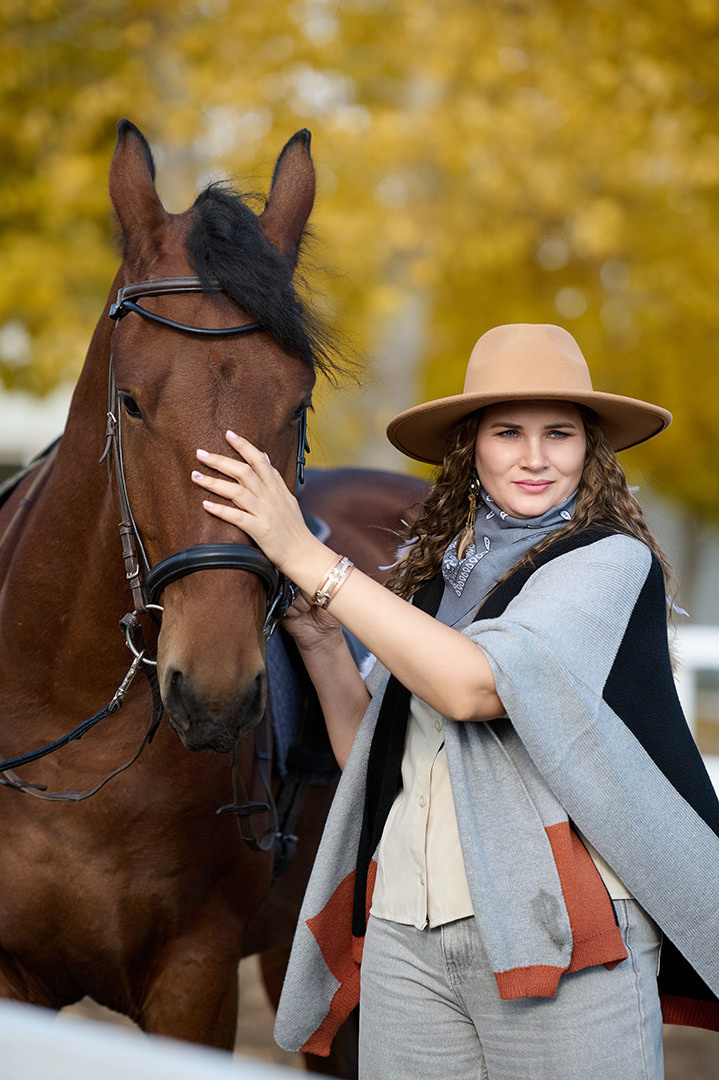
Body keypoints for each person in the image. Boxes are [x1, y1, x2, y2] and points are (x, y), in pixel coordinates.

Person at [191, 323, 719, 1080]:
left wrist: (309, 555)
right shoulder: (442, 576)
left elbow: (472, 687)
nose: (534, 457)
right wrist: (317, 634)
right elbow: (366, 752)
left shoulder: (608, 560)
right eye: (507, 432)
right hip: (407, 931)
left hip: (557, 935)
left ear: (589, 449)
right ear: (470, 447)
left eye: (558, 434)